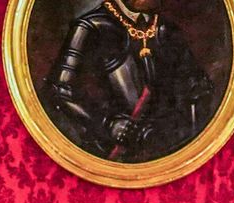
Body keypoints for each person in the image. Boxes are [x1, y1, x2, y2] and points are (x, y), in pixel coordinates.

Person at [39, 0, 214, 163]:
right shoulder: (91, 27)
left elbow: (196, 85)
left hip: (166, 149)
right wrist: (107, 124)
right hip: (111, 154)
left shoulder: (166, 29)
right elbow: (59, 90)